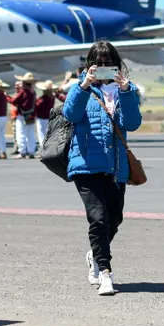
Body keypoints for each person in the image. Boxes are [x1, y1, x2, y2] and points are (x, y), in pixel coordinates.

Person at [62, 40, 141, 297]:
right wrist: (83, 85)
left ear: (117, 66)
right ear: (90, 66)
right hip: (85, 164)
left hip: (115, 166)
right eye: (99, 64)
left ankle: (95, 254)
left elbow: (133, 122)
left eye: (110, 63)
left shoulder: (126, 91)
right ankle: (105, 273)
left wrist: (127, 91)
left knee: (114, 218)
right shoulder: (80, 89)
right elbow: (70, 114)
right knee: (99, 218)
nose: (105, 68)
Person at [10, 73, 38, 159]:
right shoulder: (33, 92)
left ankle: (22, 152)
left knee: (20, 133)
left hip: (22, 115)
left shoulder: (23, 91)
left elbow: (14, 101)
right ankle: (31, 152)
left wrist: (7, 97)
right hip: (30, 115)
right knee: (30, 134)